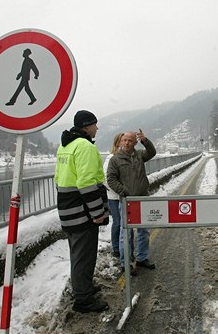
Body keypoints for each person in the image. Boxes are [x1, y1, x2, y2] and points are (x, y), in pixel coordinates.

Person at [54, 110, 109, 313]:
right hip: (82, 211)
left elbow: (57, 179)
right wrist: (97, 213)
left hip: (68, 208)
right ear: (86, 126)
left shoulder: (65, 145)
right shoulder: (84, 146)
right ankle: (83, 299)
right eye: (95, 124)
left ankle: (84, 287)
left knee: (78, 253)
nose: (97, 128)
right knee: (83, 256)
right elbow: (86, 183)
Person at [107, 129, 157, 274]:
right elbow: (111, 179)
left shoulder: (140, 155)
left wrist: (145, 141)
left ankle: (142, 258)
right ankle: (126, 262)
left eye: (130, 140)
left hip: (142, 198)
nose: (127, 143)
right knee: (126, 233)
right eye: (125, 140)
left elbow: (152, 152)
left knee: (144, 231)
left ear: (135, 142)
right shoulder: (115, 159)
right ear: (121, 142)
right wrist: (124, 191)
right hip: (127, 201)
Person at [103, 132, 134, 259]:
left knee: (126, 223)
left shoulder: (125, 156)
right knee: (118, 223)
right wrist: (120, 191)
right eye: (123, 141)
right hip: (115, 197)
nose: (125, 143)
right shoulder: (111, 158)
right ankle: (116, 249)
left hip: (123, 196)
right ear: (118, 143)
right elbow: (106, 179)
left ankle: (126, 250)